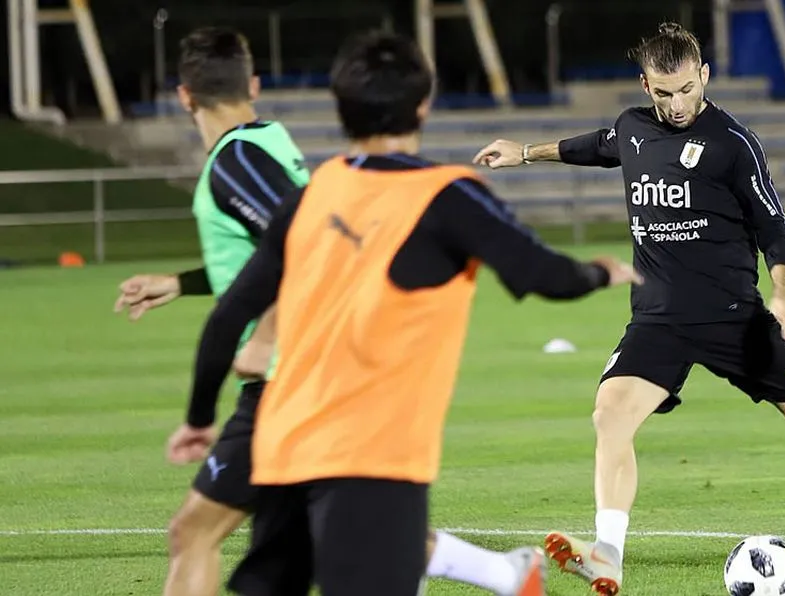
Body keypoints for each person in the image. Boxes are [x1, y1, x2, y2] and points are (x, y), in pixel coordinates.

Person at [171, 30, 639, 596]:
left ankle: (507, 574)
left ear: (341, 110)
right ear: (424, 105)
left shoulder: (313, 194)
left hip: (285, 440)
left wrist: (199, 417)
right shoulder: (449, 195)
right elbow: (545, 275)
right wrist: (599, 272)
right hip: (376, 447)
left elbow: (229, 316)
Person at [472, 22, 785, 596]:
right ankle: (607, 555)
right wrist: (524, 153)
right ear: (645, 84)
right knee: (610, 416)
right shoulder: (634, 129)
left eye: (686, 90)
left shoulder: (733, 142)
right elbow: (596, 146)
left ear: (704, 76)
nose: (676, 105)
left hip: (734, 317)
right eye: (662, 93)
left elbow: (773, 226)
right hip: (657, 320)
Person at [113, 26, 309, 596]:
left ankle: (496, 571)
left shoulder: (233, 161)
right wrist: (182, 282)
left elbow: (301, 244)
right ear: (253, 85)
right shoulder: (271, 139)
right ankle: (492, 571)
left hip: (282, 383)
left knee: (194, 534)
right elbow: (266, 255)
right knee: (294, 544)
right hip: (307, 375)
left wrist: (266, 334)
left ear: (183, 96)